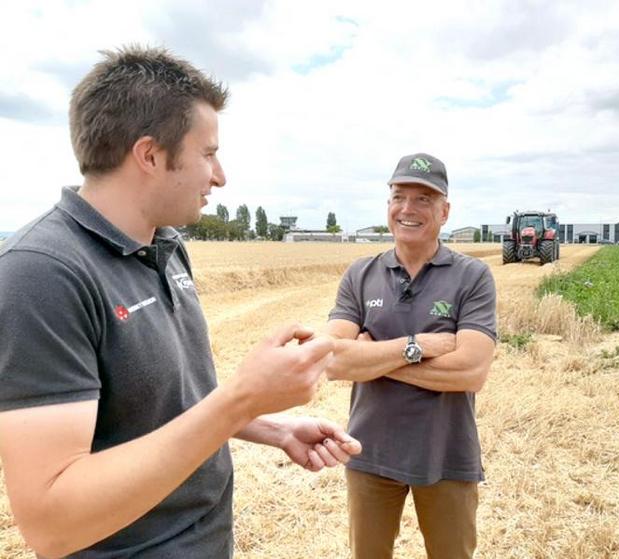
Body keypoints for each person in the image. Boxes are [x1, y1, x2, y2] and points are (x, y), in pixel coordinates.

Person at [0, 46, 361, 559]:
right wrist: (242, 397)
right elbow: (52, 522)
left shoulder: (166, 248)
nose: (220, 176)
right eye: (208, 153)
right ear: (149, 155)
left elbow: (169, 407)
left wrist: (271, 427)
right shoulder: (41, 274)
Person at [324, 153, 497, 558]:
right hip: (369, 451)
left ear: (444, 211)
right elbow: (333, 361)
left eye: (424, 199)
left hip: (446, 455)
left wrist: (373, 359)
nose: (408, 209)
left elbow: (470, 371)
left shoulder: (471, 277)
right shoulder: (360, 275)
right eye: (399, 196)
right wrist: (414, 347)